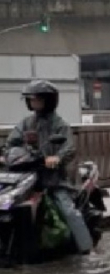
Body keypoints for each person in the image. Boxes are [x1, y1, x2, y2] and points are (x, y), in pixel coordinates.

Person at [6, 80, 94, 254]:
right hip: (26, 177)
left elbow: (69, 148)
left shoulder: (60, 125)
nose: (33, 103)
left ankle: (87, 250)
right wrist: (5, 154)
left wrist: (57, 158)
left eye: (37, 99)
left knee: (69, 211)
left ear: (49, 100)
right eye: (31, 100)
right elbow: (11, 142)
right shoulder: (26, 123)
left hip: (54, 179)